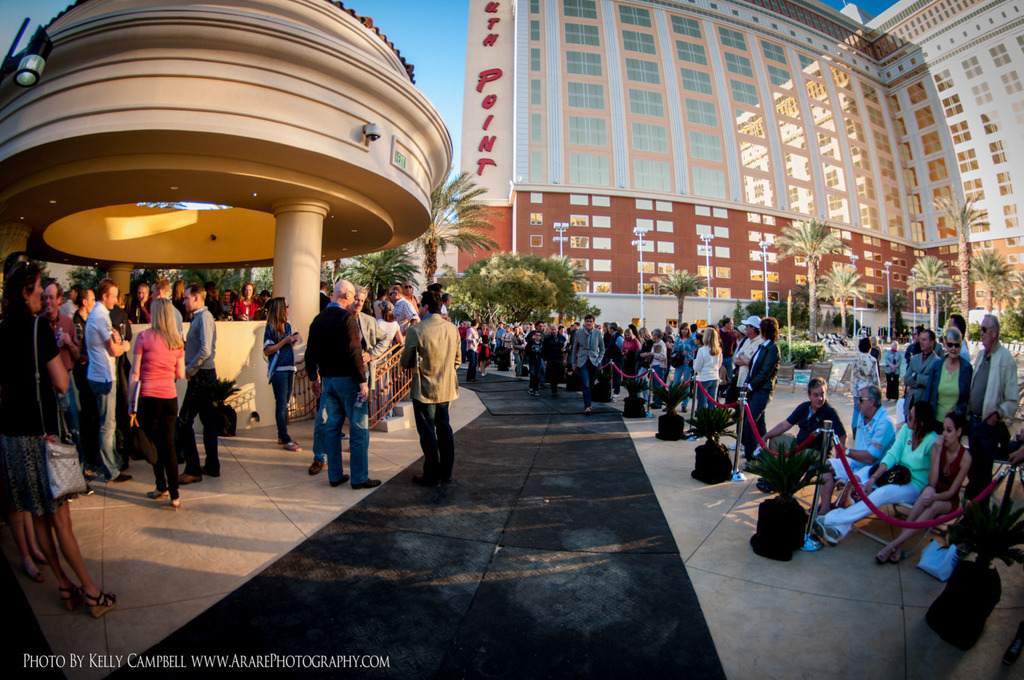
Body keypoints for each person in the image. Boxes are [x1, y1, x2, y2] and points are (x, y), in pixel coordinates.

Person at [0, 260, 116, 617]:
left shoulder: (1, 329)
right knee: (61, 521)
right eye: (37, 290)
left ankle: (65, 586)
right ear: (25, 292)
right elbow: (62, 383)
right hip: (40, 436)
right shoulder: (38, 329)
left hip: (11, 438)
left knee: (38, 517)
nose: (42, 297)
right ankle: (92, 593)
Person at [815, 402, 939, 546]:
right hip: (896, 472)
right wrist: (875, 476)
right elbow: (893, 454)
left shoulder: (932, 441)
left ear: (922, 423)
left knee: (881, 494)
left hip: (914, 484)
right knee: (858, 479)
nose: (906, 419)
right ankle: (838, 530)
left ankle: (830, 519)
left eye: (910, 417)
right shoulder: (906, 430)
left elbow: (933, 478)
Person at [305, 280, 379, 490]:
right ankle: (359, 478)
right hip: (348, 381)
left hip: (328, 382)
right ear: (346, 295)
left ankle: (335, 475)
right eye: (353, 296)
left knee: (332, 428)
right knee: (358, 429)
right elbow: (354, 352)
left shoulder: (318, 319)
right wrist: (362, 382)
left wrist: (313, 379)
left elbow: (310, 353)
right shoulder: (347, 318)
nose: (355, 300)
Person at [874, 412, 971, 564]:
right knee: (928, 491)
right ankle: (899, 545)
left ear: (959, 432)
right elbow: (932, 482)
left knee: (933, 504)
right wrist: (937, 453)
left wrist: (935, 497)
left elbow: (953, 492)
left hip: (948, 499)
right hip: (934, 489)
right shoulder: (939, 447)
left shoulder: (966, 458)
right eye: (944, 429)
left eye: (949, 430)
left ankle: (895, 544)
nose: (944, 434)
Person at [401, 290, 461, 487]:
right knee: (444, 429)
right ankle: (447, 472)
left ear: (425, 306)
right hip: (446, 388)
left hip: (424, 388)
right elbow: (458, 360)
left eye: (420, 305)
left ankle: (432, 475)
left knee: (427, 433)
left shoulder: (416, 330)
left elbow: (406, 360)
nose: (418, 308)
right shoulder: (452, 329)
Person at [129, 298, 185, 509]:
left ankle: (160, 486)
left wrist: (129, 402)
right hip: (169, 399)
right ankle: (175, 494)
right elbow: (179, 373)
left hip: (148, 399)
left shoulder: (143, 337)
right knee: (168, 445)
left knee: (154, 445)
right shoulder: (177, 341)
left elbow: (135, 372)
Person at [965, 314, 1019, 500]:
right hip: (974, 423)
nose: (981, 333)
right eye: (980, 329)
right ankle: (970, 517)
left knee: (983, 475)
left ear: (995, 332)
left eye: (984, 329)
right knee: (972, 472)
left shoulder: (1005, 359)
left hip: (989, 427)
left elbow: (1012, 400)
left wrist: (996, 415)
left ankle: (981, 519)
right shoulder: (981, 355)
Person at [85, 279, 132, 483]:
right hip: (103, 377)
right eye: (114, 296)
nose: (117, 300)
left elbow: (113, 342)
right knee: (108, 426)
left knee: (106, 424)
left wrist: (118, 341)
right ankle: (111, 470)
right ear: (105, 296)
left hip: (98, 375)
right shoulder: (100, 317)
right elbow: (114, 349)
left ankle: (111, 464)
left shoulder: (98, 315)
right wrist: (126, 346)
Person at [817, 385, 891, 514]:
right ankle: (825, 508)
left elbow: (871, 457)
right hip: (857, 463)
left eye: (861, 400)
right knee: (826, 466)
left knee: (854, 480)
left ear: (872, 402)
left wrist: (845, 451)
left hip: (874, 468)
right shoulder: (862, 416)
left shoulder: (884, 423)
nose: (858, 403)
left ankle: (837, 516)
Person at [176, 283, 219, 484]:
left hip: (201, 376)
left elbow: (206, 350)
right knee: (208, 422)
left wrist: (189, 369)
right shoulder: (200, 318)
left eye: (186, 298)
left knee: (184, 421)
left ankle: (193, 469)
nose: (183, 301)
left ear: (196, 298)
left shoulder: (204, 318)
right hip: (204, 375)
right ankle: (212, 465)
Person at [762, 377, 848, 459]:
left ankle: (790, 470)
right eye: (816, 395)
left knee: (802, 456)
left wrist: (839, 458)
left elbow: (842, 435)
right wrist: (765, 437)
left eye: (822, 394)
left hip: (815, 452)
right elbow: (784, 425)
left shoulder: (829, 412)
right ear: (809, 396)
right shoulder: (804, 407)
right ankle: (779, 471)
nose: (820, 398)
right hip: (799, 445)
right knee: (775, 440)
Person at [263, 297, 302, 452]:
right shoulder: (270, 327)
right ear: (280, 308)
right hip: (278, 369)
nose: (288, 308)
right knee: (281, 404)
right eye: (287, 305)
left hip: (289, 367)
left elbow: (285, 346)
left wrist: (292, 340)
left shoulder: (288, 325)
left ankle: (282, 435)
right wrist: (285, 341)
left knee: (285, 403)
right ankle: (285, 438)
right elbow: (267, 350)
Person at [742, 317, 780, 460]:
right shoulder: (762, 346)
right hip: (754, 390)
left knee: (750, 423)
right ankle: (764, 453)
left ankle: (751, 457)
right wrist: (747, 384)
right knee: (759, 423)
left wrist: (751, 386)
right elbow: (753, 368)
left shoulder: (773, 349)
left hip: (762, 391)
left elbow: (765, 372)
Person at [924, 327, 972, 428]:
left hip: (956, 425)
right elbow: (928, 394)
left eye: (957, 345)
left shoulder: (967, 369)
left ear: (961, 345)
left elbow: (968, 398)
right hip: (935, 423)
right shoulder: (937, 367)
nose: (953, 348)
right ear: (945, 344)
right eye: (950, 345)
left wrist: (958, 411)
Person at [902, 328, 940, 421]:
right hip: (911, 403)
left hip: (925, 404)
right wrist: (921, 381)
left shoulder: (937, 362)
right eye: (921, 339)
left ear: (932, 343)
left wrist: (917, 377)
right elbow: (907, 379)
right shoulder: (915, 359)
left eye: (924, 340)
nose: (921, 342)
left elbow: (933, 382)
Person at [569, 314, 603, 416]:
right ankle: (587, 406)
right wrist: (574, 363)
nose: (588, 323)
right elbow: (574, 349)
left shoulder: (598, 333)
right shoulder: (578, 333)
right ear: (584, 322)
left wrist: (599, 359)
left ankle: (589, 401)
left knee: (591, 384)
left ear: (593, 322)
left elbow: (602, 348)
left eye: (590, 321)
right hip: (582, 361)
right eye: (587, 321)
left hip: (594, 361)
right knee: (585, 384)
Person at [851, 337, 881, 429]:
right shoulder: (872, 360)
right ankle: (864, 428)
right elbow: (875, 376)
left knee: (856, 409)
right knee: (867, 411)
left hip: (857, 389)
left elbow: (853, 375)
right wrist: (878, 389)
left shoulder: (856, 359)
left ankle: (854, 427)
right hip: (868, 390)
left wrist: (852, 387)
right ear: (870, 348)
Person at [692, 327, 721, 413]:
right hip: (715, 377)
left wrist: (694, 363)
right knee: (712, 404)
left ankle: (702, 423)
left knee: (702, 404)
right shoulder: (718, 350)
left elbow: (697, 368)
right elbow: (719, 364)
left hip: (704, 378)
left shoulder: (702, 350)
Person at [542, 326, 565, 396]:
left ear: (557, 329)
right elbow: (544, 350)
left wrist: (565, 349)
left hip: (560, 357)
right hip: (551, 358)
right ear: (550, 330)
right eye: (552, 329)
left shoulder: (562, 337)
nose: (554, 331)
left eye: (555, 329)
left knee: (560, 372)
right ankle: (553, 386)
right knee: (552, 373)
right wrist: (545, 359)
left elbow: (566, 346)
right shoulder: (547, 338)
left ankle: (556, 383)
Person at [525, 329, 544, 396]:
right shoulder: (531, 343)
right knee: (533, 374)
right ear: (534, 336)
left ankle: (536, 389)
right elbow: (527, 351)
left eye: (539, 335)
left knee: (537, 375)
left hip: (538, 361)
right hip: (532, 360)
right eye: (537, 335)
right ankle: (531, 387)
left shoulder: (541, 344)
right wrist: (529, 357)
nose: (538, 337)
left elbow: (543, 352)